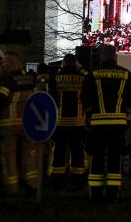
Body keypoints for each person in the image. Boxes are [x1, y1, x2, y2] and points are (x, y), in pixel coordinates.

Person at [82, 44, 131, 202]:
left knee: (97, 158)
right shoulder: (125, 74)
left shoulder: (93, 74)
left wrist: (91, 110)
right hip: (118, 124)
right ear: (115, 56)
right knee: (115, 159)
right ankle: (113, 194)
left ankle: (95, 194)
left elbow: (84, 97)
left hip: (97, 124)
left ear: (102, 56)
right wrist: (125, 110)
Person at [0, 52, 38, 194]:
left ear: (11, 63)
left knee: (9, 156)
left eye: (4, 63)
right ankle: (31, 184)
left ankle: (12, 187)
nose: (2, 66)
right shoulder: (31, 78)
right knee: (29, 155)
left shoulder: (8, 79)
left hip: (9, 125)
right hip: (28, 124)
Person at [48, 53, 89, 188]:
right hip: (78, 122)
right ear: (75, 63)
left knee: (59, 151)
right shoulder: (82, 77)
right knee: (77, 152)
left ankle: (57, 179)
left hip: (60, 122)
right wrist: (80, 68)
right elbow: (90, 79)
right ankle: (78, 179)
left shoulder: (56, 77)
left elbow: (51, 98)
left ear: (64, 63)